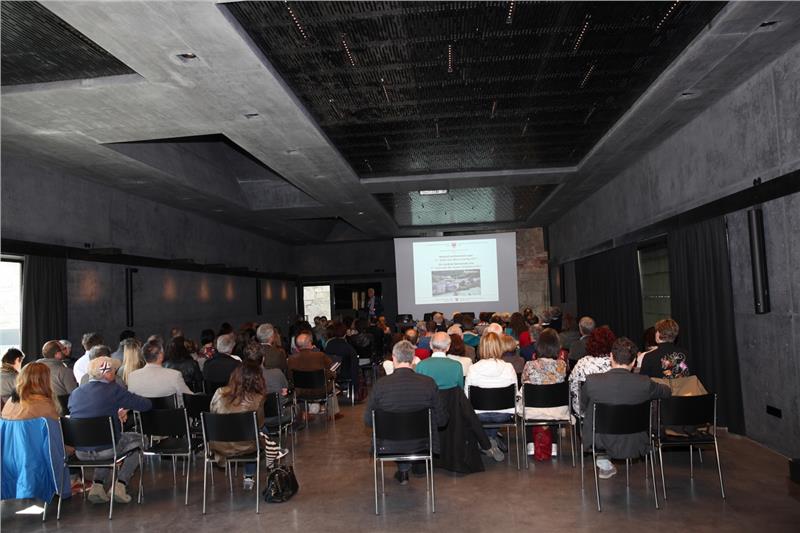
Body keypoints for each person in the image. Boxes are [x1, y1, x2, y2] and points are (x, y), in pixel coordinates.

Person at [582, 337, 671, 479]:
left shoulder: (592, 381)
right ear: (634, 361)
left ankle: (604, 464)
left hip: (600, 441)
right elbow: (666, 392)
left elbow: (582, 406)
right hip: (637, 441)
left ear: (611, 357)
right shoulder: (644, 383)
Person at [68, 356, 152, 504]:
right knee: (140, 441)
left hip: (81, 452)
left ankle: (97, 486)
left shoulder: (75, 393)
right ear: (107, 373)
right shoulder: (113, 390)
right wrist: (125, 408)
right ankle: (120, 485)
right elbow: (146, 405)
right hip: (107, 448)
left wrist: (114, 412)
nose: (115, 372)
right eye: (113, 370)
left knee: (105, 440)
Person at [364, 340, 448, 485]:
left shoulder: (380, 385)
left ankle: (403, 470)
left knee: (398, 430)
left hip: (388, 444)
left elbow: (369, 420)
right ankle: (404, 470)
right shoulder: (428, 383)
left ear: (394, 358)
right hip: (422, 443)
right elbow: (442, 420)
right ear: (413, 359)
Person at [209, 348, 267, 490]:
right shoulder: (258, 398)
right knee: (261, 430)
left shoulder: (219, 392)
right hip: (246, 445)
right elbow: (259, 424)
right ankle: (249, 475)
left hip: (219, 443)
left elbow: (213, 414)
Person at [464, 332, 516, 461]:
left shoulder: (473, 368)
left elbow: (467, 395)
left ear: (481, 348)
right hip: (503, 414)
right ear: (500, 347)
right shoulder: (508, 367)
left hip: (479, 414)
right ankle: (491, 440)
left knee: (484, 414)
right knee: (494, 412)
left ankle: (486, 442)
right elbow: (515, 393)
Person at [521, 328, 568, 457]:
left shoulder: (529, 365)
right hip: (557, 411)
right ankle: (553, 444)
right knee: (552, 399)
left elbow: (523, 383)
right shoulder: (562, 365)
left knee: (528, 396)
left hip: (533, 410)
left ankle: (530, 443)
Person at [287, 332, 341, 419]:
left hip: (300, 392)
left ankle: (305, 412)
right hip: (320, 391)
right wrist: (333, 375)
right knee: (331, 381)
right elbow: (330, 369)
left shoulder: (291, 359)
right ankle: (334, 413)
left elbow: (290, 376)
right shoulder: (320, 356)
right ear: (309, 343)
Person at [568, 326, 616, 413]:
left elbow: (572, 386)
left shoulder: (582, 363)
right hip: (611, 410)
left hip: (585, 410)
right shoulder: (616, 363)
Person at [127, 340, 193, 404]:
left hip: (143, 411)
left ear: (143, 356)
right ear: (160, 356)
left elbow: (130, 402)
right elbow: (190, 397)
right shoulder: (175, 375)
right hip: (170, 412)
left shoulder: (132, 376)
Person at [324, 321, 360, 399]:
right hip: (345, 375)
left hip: (331, 374)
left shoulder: (328, 346)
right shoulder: (349, 348)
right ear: (345, 333)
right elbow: (354, 367)